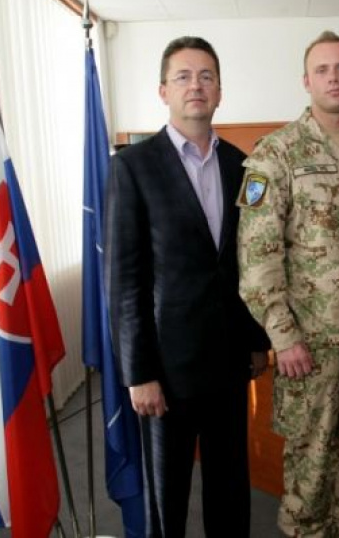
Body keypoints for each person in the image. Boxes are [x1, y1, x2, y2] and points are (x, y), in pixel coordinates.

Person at [104, 36, 270, 537]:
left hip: (228, 364)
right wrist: (139, 374)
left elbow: (246, 263)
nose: (196, 85)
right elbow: (125, 281)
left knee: (230, 492)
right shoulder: (133, 166)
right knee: (167, 500)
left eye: (206, 76)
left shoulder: (242, 166)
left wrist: (257, 341)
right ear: (164, 91)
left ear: (219, 91)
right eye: (183, 76)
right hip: (165, 370)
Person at [237, 30, 339, 537]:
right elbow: (257, 258)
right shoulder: (277, 153)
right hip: (311, 346)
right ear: (306, 81)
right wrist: (284, 337)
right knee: (311, 467)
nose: (334, 78)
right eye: (322, 70)